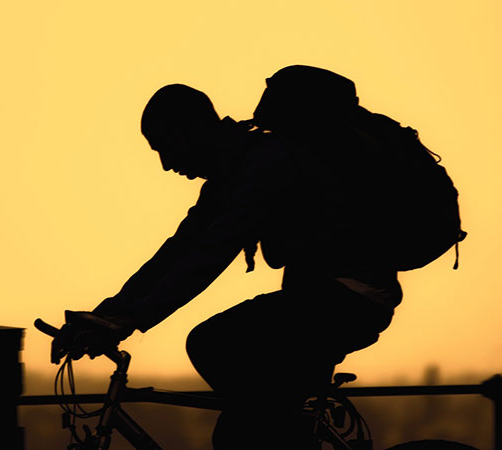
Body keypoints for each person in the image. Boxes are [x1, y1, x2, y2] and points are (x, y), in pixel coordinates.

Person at [77, 82, 401, 449]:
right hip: (322, 299)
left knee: (212, 347)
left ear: (193, 129)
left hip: (348, 299)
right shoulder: (232, 173)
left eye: (165, 147)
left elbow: (210, 253)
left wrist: (132, 319)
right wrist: (107, 313)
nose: (166, 165)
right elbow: (178, 251)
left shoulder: (264, 162)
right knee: (242, 431)